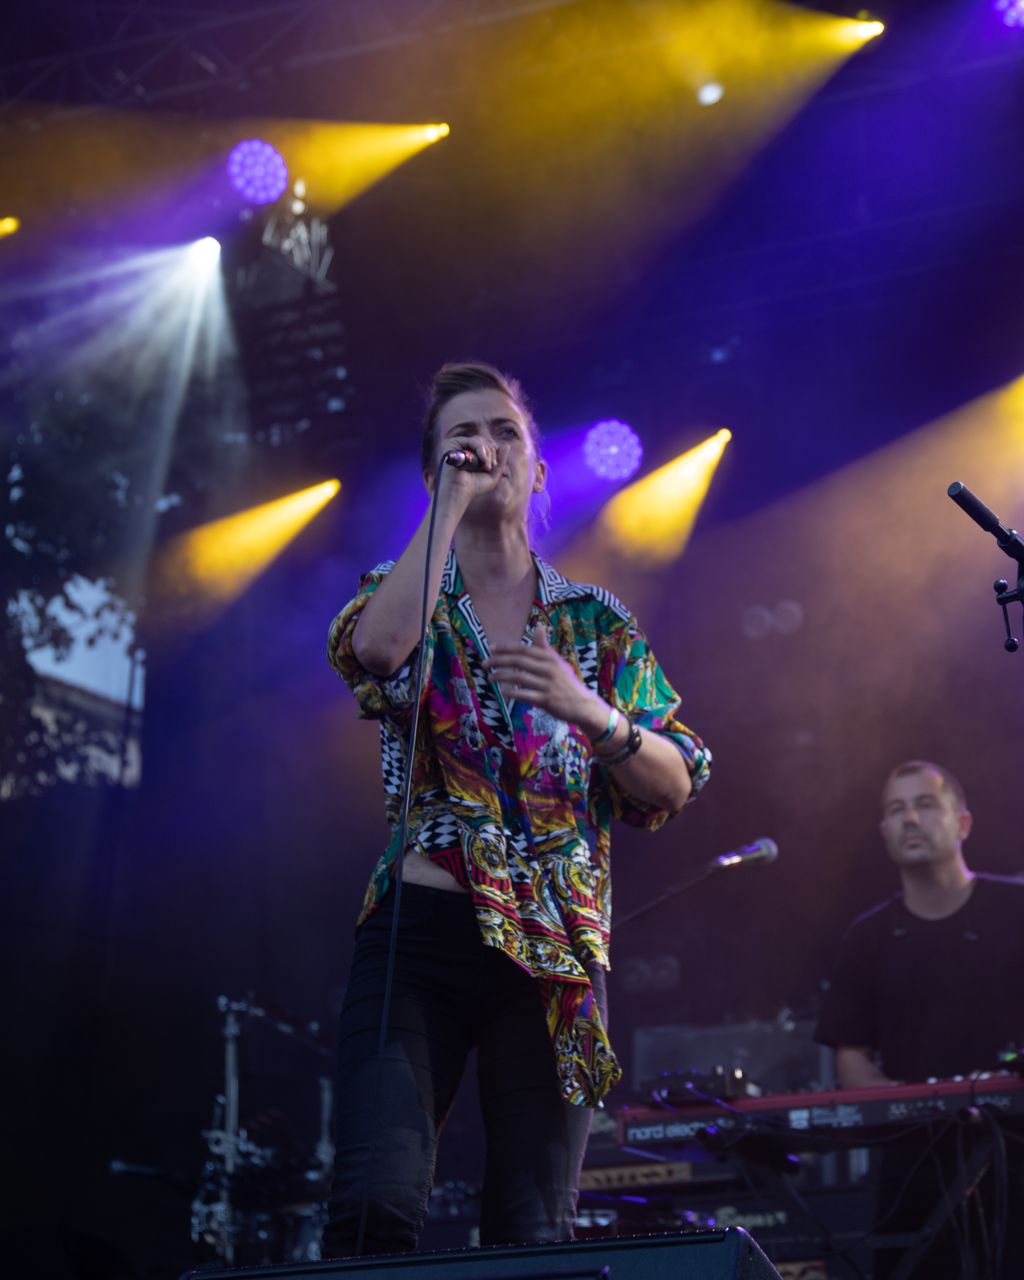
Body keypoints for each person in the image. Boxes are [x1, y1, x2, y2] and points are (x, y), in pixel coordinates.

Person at [320, 362, 711, 1256]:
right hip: (420, 937)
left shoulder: (594, 622)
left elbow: (675, 779)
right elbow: (377, 650)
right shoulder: (406, 593)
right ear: (434, 469)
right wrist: (448, 505)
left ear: (537, 470)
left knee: (534, 1232)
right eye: (462, 437)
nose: (485, 447)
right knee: (377, 1199)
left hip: (554, 951)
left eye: (505, 432)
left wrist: (592, 712)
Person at [815, 760, 1024, 1280]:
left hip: (1020, 1156)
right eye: (896, 810)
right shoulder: (867, 937)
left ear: (962, 822)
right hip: (912, 1168)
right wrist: (920, 1104)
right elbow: (850, 1062)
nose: (910, 819)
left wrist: (1018, 1082)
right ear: (884, 832)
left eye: (925, 804)